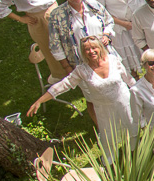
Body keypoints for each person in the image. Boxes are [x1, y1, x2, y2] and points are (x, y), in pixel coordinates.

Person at [28, 36, 137, 164]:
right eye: (87, 49)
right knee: (108, 136)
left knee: (131, 126)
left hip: (123, 102)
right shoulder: (82, 70)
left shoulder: (113, 61)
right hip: (103, 109)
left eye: (94, 48)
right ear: (82, 52)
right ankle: (110, 163)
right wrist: (40, 100)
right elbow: (63, 85)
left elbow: (128, 79)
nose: (91, 51)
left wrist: (140, 94)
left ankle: (136, 152)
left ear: (100, 48)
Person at [47, 0, 114, 76]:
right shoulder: (57, 16)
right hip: (80, 63)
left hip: (105, 57)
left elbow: (109, 21)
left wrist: (106, 35)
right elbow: (55, 45)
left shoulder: (94, 5)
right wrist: (67, 67)